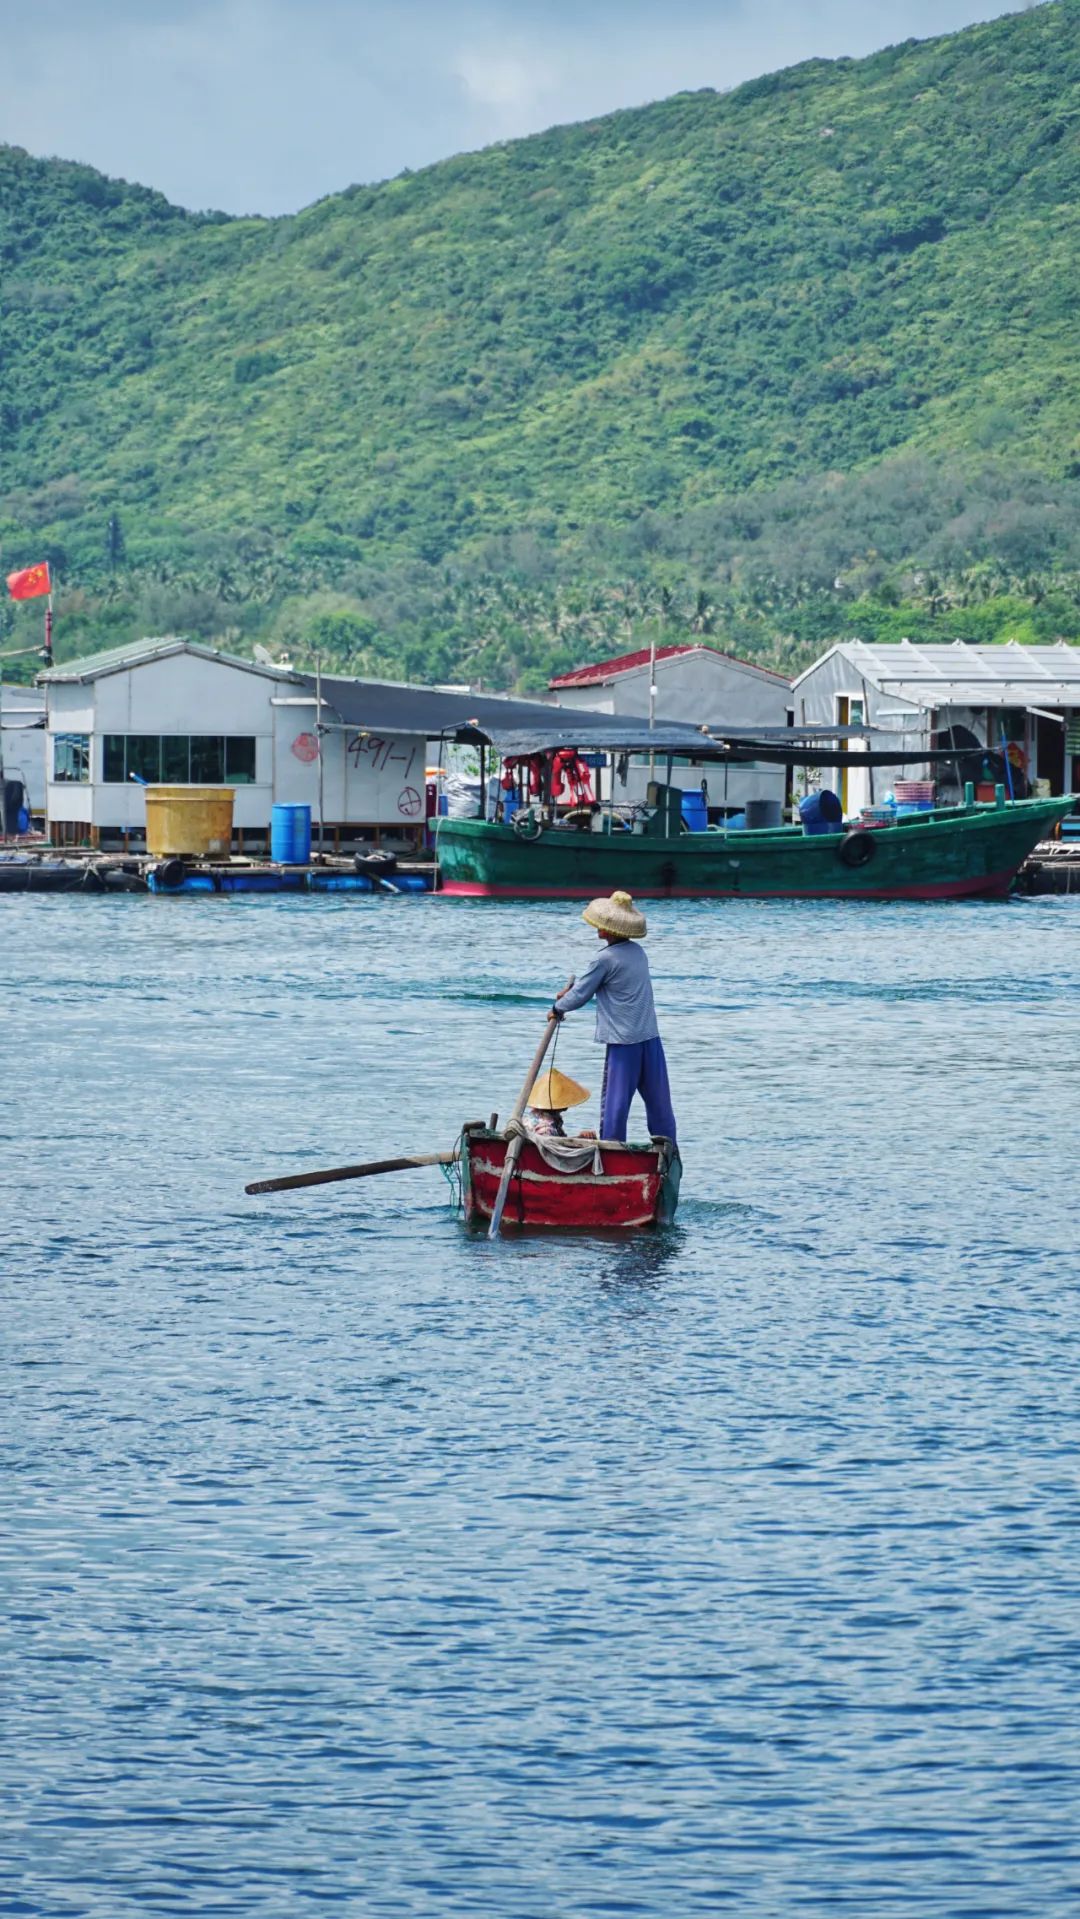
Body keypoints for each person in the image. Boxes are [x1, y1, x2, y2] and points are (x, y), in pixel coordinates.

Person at [549, 890, 677, 1144]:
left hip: (623, 1043)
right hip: (650, 1039)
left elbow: (581, 994)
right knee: (659, 1103)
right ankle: (669, 1151)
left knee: (615, 1107)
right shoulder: (638, 952)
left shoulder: (603, 959)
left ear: (609, 929)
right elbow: (599, 986)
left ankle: (611, 1152)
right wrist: (570, 995)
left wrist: (557, 1008)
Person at [525, 1067, 591, 1138]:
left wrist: (580, 1137)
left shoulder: (535, 1116)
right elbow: (556, 1146)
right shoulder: (546, 1128)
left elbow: (562, 1140)